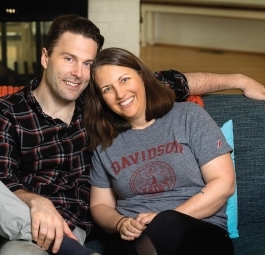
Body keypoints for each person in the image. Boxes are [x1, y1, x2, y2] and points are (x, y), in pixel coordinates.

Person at [0, 14, 263, 255]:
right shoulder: (5, 113)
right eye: (68, 58)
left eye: (87, 63)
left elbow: (169, 82)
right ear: (45, 57)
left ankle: (64, 245)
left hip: (47, 242)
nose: (77, 72)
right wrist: (35, 203)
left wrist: (240, 79)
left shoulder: (99, 101)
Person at [83, 47, 236, 255]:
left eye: (124, 79)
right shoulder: (105, 142)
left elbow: (224, 184)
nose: (120, 94)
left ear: (142, 76)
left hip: (199, 232)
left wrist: (162, 219)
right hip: (135, 238)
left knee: (168, 221)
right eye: (107, 89)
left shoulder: (189, 117)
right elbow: (100, 205)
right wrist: (120, 223)